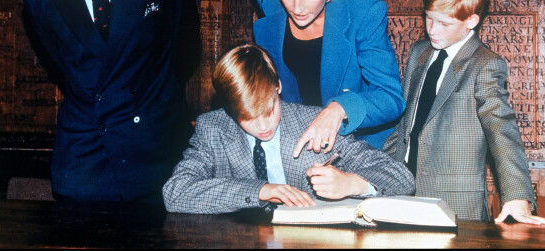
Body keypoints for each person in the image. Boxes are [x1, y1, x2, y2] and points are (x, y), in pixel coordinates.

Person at [20, 0, 201, 204]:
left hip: (155, 142)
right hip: (87, 152)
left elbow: (186, 49)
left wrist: (151, 100)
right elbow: (60, 66)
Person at [383, 0, 545, 225]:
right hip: (401, 194)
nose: (432, 29)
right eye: (429, 17)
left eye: (444, 23)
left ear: (471, 21)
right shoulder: (419, 52)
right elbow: (406, 124)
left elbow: (501, 128)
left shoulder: (484, 64)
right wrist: (378, 172)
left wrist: (517, 195)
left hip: (456, 205)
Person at [162, 44, 414, 214]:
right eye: (247, 117)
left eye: (268, 110)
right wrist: (261, 190)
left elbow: (402, 178)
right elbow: (175, 192)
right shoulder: (213, 128)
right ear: (229, 109)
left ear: (278, 87)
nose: (262, 126)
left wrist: (353, 184)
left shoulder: (315, 123)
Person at [252, 0, 405, 157]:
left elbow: (390, 97)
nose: (297, 7)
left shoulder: (362, 11)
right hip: (297, 145)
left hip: (361, 146)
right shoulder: (270, 0)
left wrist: (340, 108)